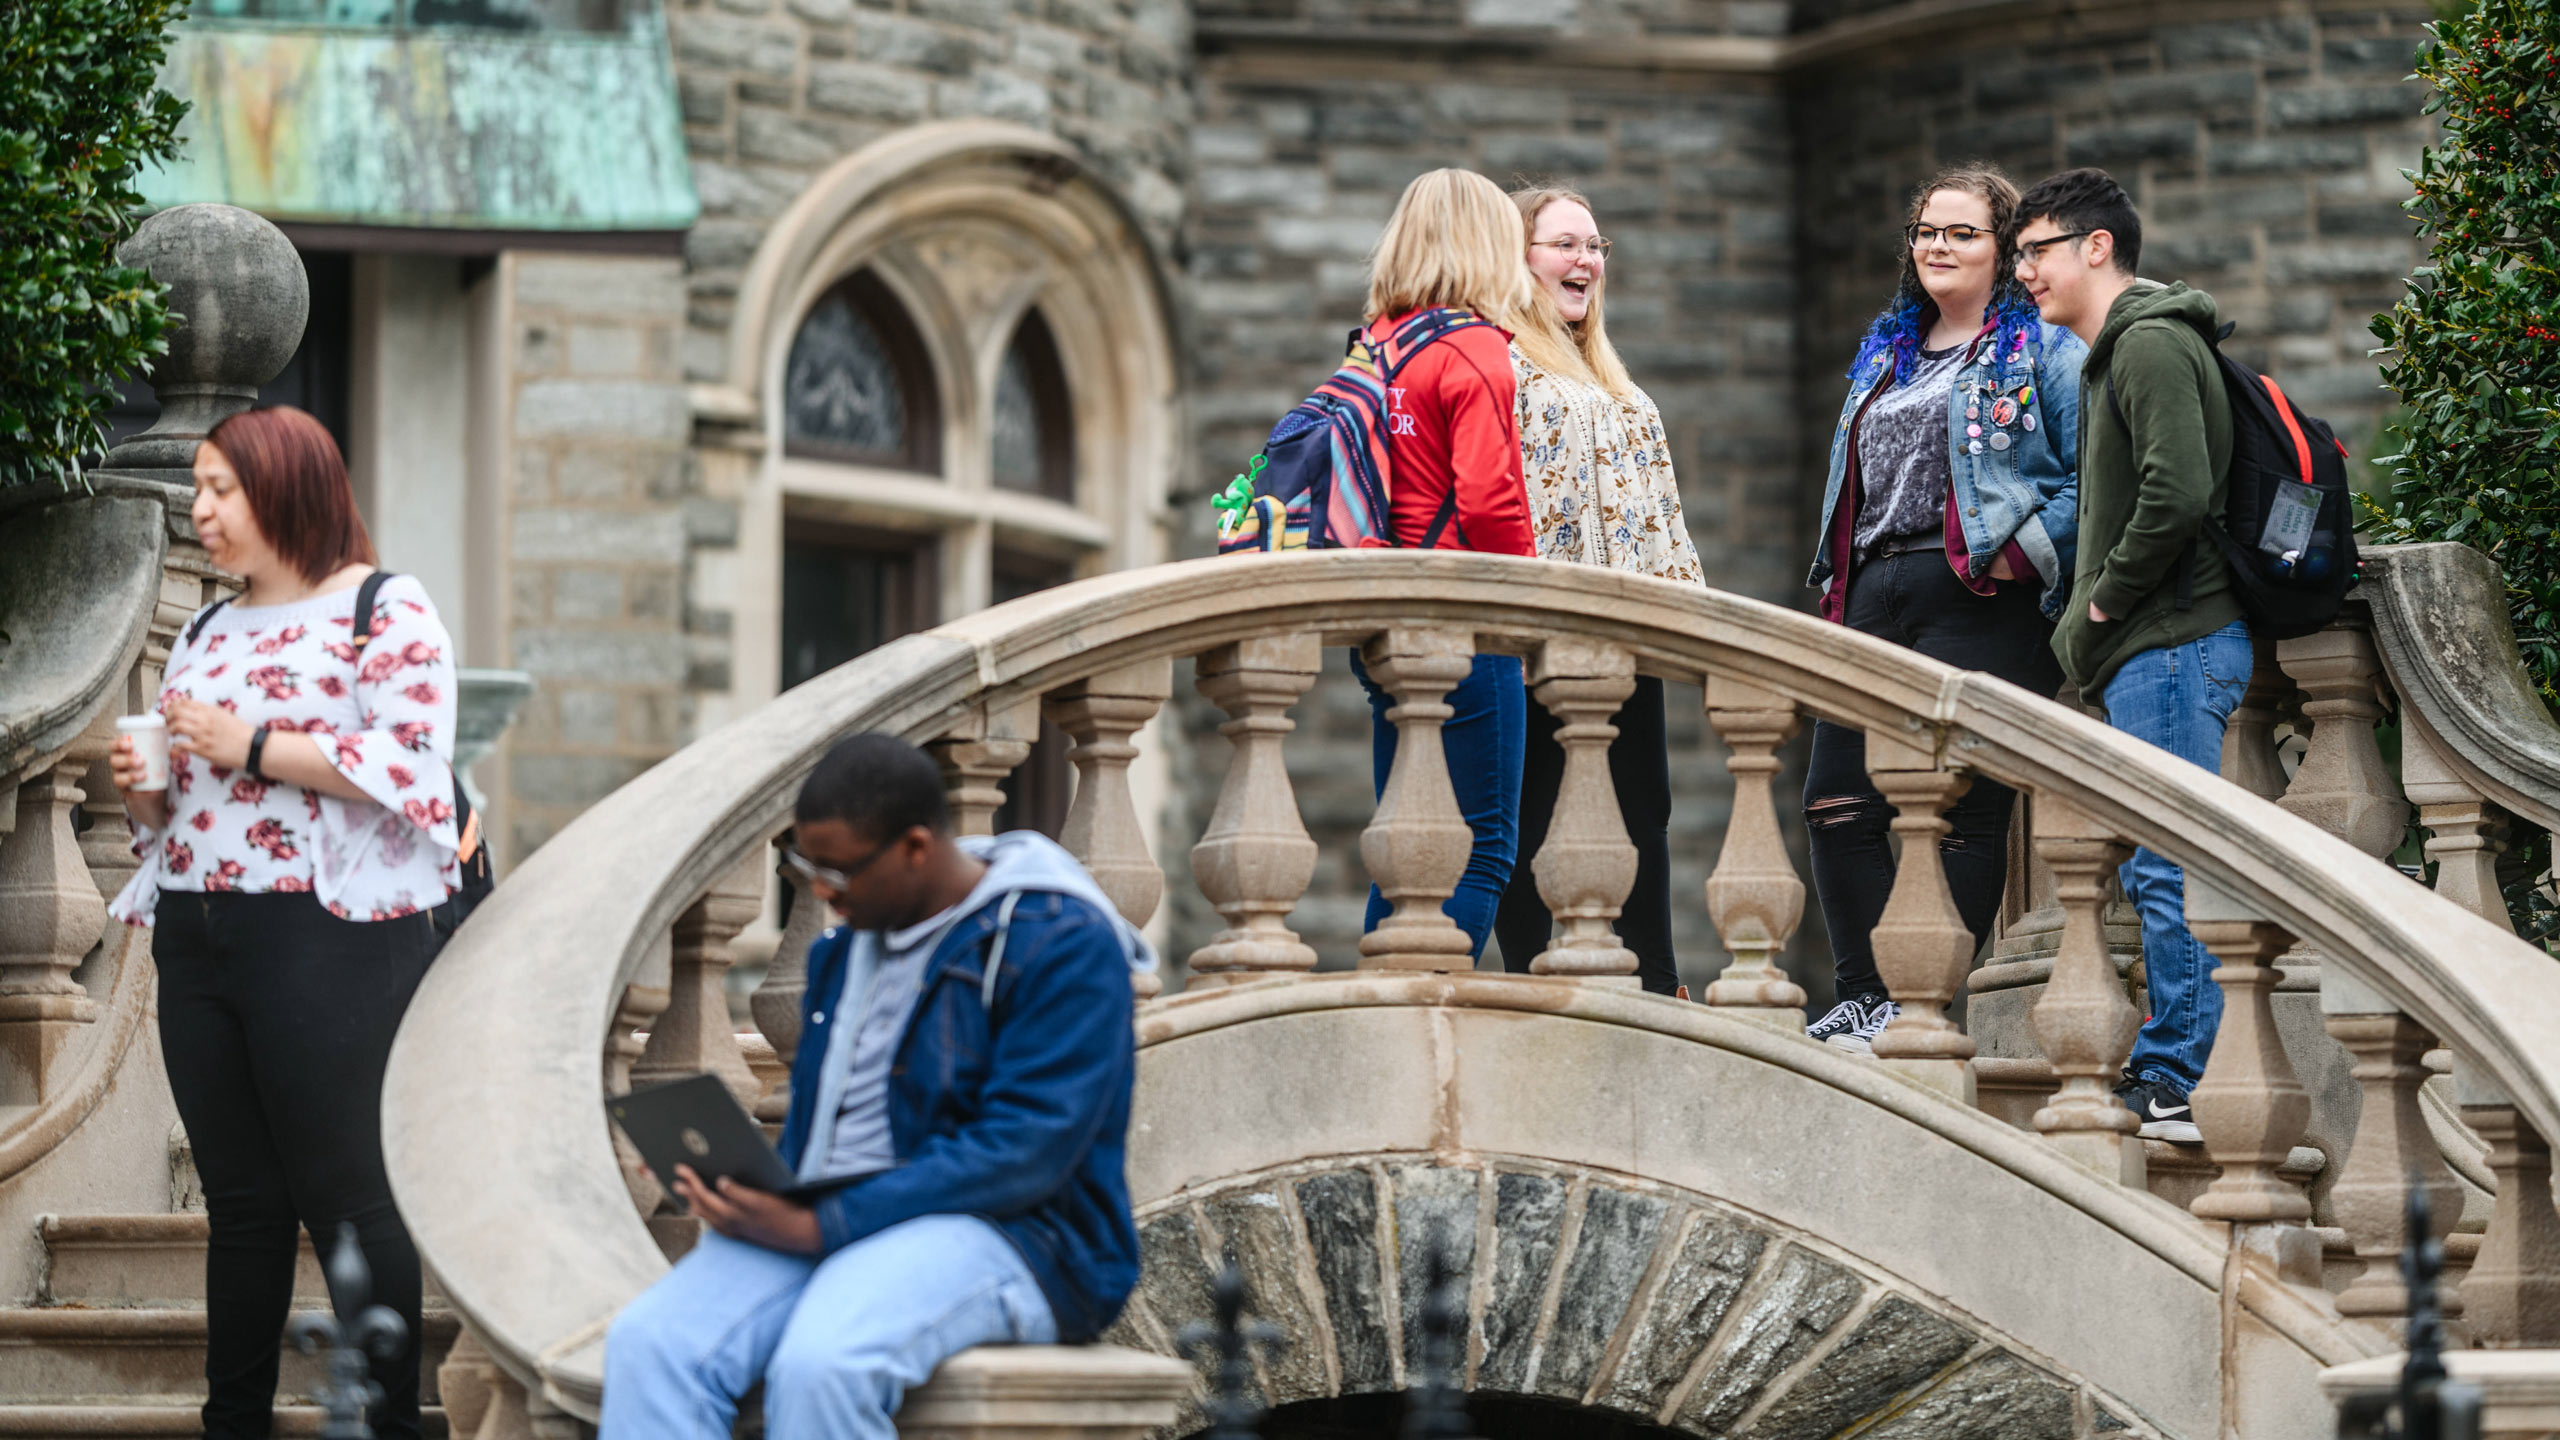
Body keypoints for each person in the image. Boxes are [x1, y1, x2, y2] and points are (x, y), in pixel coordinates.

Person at [602, 733, 1149, 1438]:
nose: (822, 892)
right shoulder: (842, 954)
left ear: (916, 847)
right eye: (805, 868)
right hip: (842, 1214)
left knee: (827, 1364)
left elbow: (1027, 1147)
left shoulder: (1057, 941)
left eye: (838, 871)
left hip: (1018, 1233)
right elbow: (828, 1128)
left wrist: (825, 1222)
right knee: (652, 1347)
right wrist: (749, 1186)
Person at [104, 405, 460, 1440]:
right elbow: (184, 805)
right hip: (200, 929)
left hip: (330, 930)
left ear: (287, 489)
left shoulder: (383, 610)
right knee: (243, 1202)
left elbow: (411, 770)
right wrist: (144, 792)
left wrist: (247, 742)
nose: (202, 509)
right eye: (202, 488)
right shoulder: (208, 626)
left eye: (222, 489)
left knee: (349, 1194)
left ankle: (389, 1422)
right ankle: (235, 1424)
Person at [1801, 164, 2087, 1055]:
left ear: (2002, 250)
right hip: (1873, 590)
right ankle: (1859, 994)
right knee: (1834, 798)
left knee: (1968, 809)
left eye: (1962, 232)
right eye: (1927, 230)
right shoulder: (1885, 349)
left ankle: (1909, 1002)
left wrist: (2025, 549)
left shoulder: (2045, 347)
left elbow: (2092, 476)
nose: (1938, 246)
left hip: (1981, 596)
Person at [2015, 167, 2241, 1145]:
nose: (2024, 270)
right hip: (2154, 650)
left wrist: (2098, 608)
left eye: (2036, 249)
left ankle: (2178, 1079)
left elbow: (2176, 491)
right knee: (2160, 862)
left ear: (2094, 248)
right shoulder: (2127, 347)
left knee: (2167, 865)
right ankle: (2171, 1068)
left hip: (2169, 644)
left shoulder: (2145, 342)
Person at [1493, 183, 1703, 995]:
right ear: (1517, 257)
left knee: (1643, 808)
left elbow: (1660, 512)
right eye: (1565, 244)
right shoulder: (1500, 359)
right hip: (1534, 632)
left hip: (1629, 632)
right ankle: (1531, 977)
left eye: (1596, 247)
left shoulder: (1611, 375)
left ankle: (1657, 979)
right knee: (1536, 810)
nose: (1586, 261)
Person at [1351, 168, 1539, 957]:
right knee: (1480, 845)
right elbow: (1492, 503)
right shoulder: (1472, 346)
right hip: (1464, 625)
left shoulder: (1378, 343)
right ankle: (1416, 1008)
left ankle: (1377, 1007)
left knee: (1406, 848)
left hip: (1382, 618)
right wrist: (1536, 606)